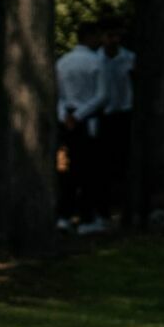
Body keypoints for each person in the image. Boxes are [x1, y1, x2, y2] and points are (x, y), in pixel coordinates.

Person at [55, 29, 109, 235]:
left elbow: (58, 97)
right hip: (87, 122)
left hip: (68, 120)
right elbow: (102, 96)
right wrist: (80, 115)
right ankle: (87, 217)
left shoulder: (62, 62)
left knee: (70, 171)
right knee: (89, 171)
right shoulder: (96, 62)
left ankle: (65, 216)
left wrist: (65, 117)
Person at [98, 25, 135, 225]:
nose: (113, 39)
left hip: (124, 115)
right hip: (103, 115)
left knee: (124, 165)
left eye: (116, 35)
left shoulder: (129, 58)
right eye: (109, 34)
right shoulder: (96, 59)